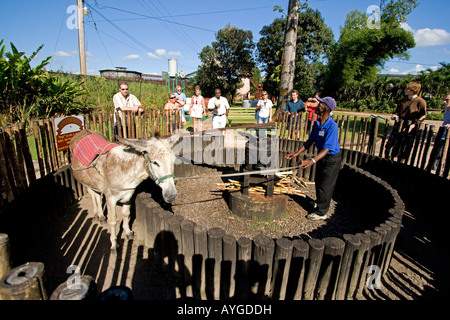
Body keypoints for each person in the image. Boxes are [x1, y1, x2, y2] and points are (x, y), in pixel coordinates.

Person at [284, 97, 341, 221]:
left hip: (331, 159)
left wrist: (312, 160)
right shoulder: (317, 123)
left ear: (326, 108)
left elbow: (327, 148)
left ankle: (321, 212)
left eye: (319, 104)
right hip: (322, 156)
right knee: (319, 181)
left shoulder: (332, 126)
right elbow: (310, 140)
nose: (316, 105)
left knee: (326, 185)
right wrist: (296, 153)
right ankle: (319, 202)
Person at [385, 81, 427, 162]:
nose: (405, 90)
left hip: (411, 126)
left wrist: (414, 125)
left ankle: (400, 163)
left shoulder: (420, 101)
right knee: (390, 145)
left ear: (413, 90)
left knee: (404, 147)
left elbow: (423, 115)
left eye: (407, 89)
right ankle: (388, 161)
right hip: (399, 125)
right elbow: (398, 112)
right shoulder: (402, 101)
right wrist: (395, 116)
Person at [426, 93, 450, 171]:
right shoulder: (447, 110)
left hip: (448, 136)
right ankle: (435, 167)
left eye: (447, 100)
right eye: (444, 99)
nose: (444, 102)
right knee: (438, 152)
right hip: (443, 134)